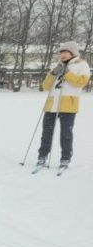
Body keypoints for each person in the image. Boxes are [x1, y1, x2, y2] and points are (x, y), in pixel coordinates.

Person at [37, 40, 90, 171]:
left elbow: (81, 82)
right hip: (51, 105)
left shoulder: (81, 64)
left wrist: (67, 73)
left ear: (72, 53)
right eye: (61, 52)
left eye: (66, 52)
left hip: (68, 105)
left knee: (66, 133)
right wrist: (53, 73)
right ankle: (42, 156)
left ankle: (65, 158)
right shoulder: (57, 65)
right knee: (46, 133)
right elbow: (46, 86)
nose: (63, 55)